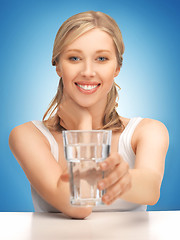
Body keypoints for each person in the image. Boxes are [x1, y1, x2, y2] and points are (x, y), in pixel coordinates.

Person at [9, 11, 169, 219]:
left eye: (101, 58)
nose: (88, 71)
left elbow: (151, 190)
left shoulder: (147, 131)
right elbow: (79, 207)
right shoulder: (29, 136)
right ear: (58, 65)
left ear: (117, 67)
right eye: (74, 58)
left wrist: (125, 179)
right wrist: (83, 128)